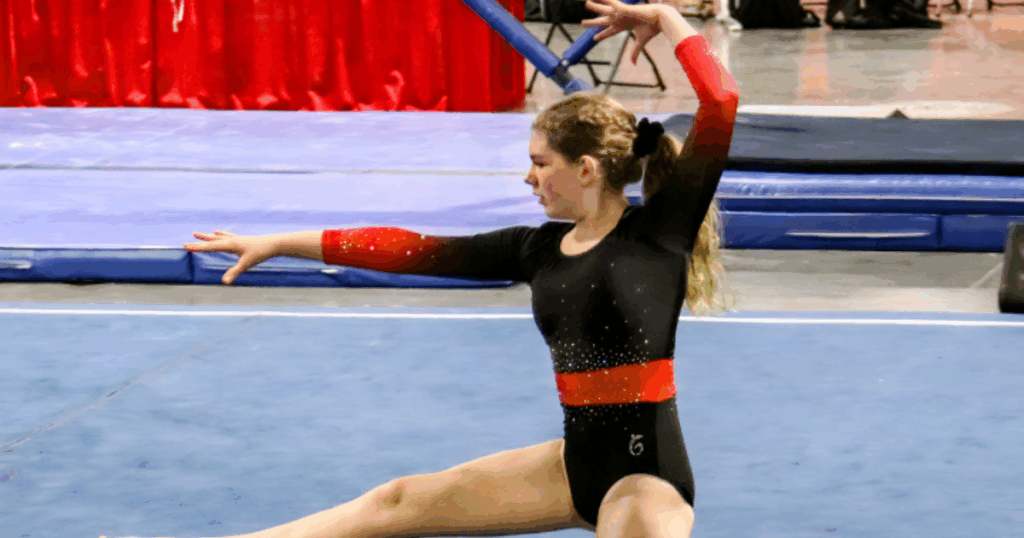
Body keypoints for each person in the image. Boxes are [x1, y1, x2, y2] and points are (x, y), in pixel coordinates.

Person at [121, 2, 738, 537]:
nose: (528, 177)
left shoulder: (658, 232)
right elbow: (411, 250)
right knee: (396, 501)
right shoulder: (537, 248)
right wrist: (282, 242)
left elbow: (721, 99)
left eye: (540, 162)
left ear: (586, 169)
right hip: (575, 464)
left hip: (643, 479)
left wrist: (663, 15)